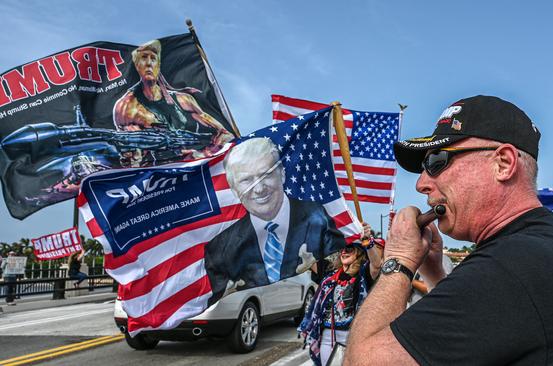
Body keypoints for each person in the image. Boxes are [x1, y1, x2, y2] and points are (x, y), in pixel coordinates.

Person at [345, 95, 553, 365]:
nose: (421, 183)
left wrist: (398, 260)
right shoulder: (552, 243)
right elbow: (481, 329)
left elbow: (360, 361)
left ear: (503, 164)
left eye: (436, 161)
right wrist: (434, 271)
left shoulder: (510, 266)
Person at [203, 138, 347, 303]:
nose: (259, 189)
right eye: (246, 180)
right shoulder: (219, 249)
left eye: (266, 174)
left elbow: (342, 267)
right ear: (235, 190)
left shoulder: (320, 218)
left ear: (282, 173)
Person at [113, 39, 234, 165]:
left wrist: (203, 154)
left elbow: (225, 134)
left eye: (153, 58)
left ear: (158, 65)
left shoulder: (182, 99)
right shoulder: (127, 107)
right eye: (144, 58)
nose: (149, 63)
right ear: (137, 65)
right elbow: (133, 159)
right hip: (162, 173)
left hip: (194, 166)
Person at [299, 222, 383, 365]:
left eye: (349, 248)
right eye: (342, 249)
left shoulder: (364, 275)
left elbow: (376, 264)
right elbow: (306, 257)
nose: (344, 251)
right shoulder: (329, 274)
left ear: (359, 253)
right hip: (327, 337)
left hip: (355, 337)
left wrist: (367, 240)